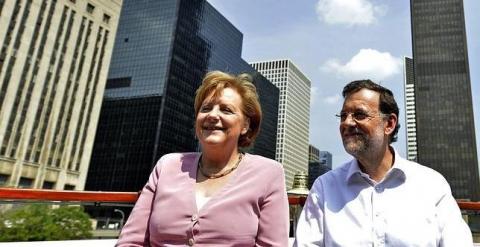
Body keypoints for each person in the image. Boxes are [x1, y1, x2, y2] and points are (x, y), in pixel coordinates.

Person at [117, 71, 289, 246]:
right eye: (206, 108)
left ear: (245, 125)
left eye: (226, 109)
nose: (212, 115)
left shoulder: (269, 173)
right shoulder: (167, 166)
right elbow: (131, 241)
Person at [294, 79, 473, 246]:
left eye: (359, 114)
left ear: (389, 124)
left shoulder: (432, 185)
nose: (347, 123)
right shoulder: (324, 188)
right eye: (343, 116)